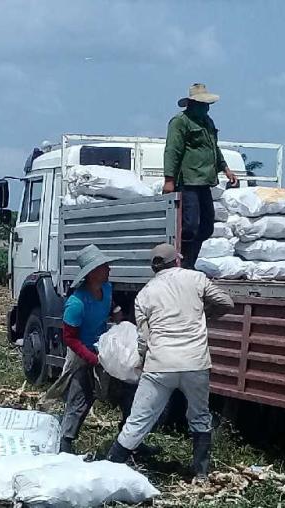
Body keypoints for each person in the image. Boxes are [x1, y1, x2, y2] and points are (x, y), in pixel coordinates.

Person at [106, 244, 234, 481]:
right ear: (177, 261)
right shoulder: (196, 278)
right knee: (199, 416)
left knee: (139, 419)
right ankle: (201, 474)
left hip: (160, 365)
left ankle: (110, 468)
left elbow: (143, 338)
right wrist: (204, 316)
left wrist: (142, 361)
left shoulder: (144, 294)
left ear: (154, 268)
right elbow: (226, 302)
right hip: (195, 363)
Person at [45, 244, 154, 456]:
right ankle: (65, 446)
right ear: (93, 272)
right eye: (105, 267)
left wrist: (119, 318)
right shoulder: (76, 303)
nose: (109, 270)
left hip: (105, 351)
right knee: (79, 400)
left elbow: (111, 305)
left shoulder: (105, 289)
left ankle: (131, 442)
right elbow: (70, 338)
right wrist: (91, 359)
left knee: (129, 394)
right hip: (84, 356)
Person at [163, 83, 239, 270]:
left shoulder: (207, 122)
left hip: (204, 181)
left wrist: (225, 168)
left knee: (206, 227)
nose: (207, 107)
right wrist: (169, 180)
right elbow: (172, 150)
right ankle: (182, 264)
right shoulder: (180, 122)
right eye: (204, 104)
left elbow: (213, 148)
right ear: (192, 104)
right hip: (188, 181)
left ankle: (189, 263)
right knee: (189, 227)